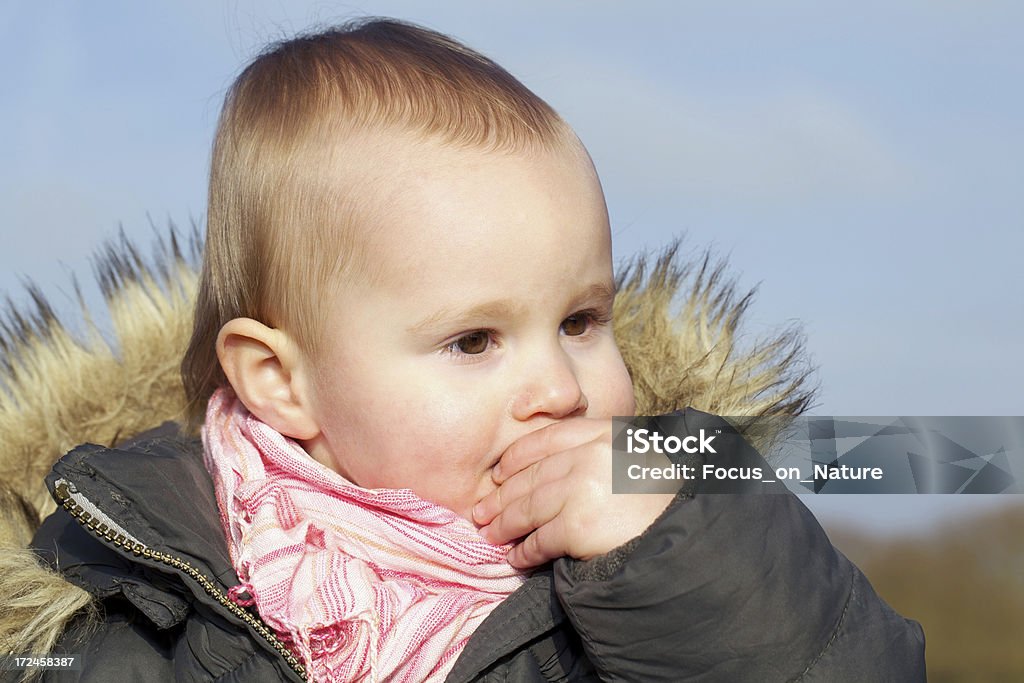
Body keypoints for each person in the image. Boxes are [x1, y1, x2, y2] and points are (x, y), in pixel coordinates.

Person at [1, 18, 925, 682]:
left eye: (582, 321)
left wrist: (674, 549)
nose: (560, 390)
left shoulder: (659, 544)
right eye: (474, 340)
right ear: (283, 381)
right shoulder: (121, 588)